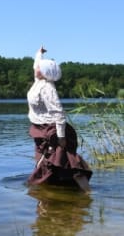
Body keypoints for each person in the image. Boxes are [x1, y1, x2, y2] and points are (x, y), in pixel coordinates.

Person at [27, 46, 92, 191]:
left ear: (44, 72)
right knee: (44, 161)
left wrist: (61, 137)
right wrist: (39, 53)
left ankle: (88, 192)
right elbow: (35, 64)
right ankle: (49, 194)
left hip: (51, 130)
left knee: (68, 160)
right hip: (39, 129)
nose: (36, 67)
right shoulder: (38, 81)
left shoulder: (47, 88)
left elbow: (59, 114)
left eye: (40, 67)